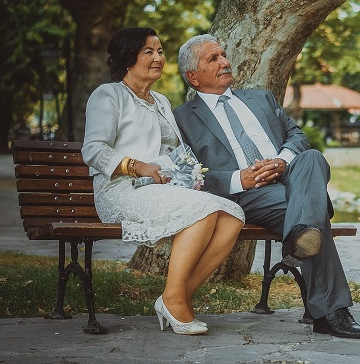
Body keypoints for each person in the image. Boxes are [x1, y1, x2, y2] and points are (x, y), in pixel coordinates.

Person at [173, 34, 360, 339]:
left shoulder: (261, 98)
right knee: (313, 216)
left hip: (292, 177)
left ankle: (299, 237)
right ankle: (331, 311)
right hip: (247, 194)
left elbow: (298, 137)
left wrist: (281, 162)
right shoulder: (183, 119)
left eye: (223, 55)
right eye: (213, 59)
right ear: (193, 77)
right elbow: (187, 174)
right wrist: (240, 178)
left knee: (312, 157)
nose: (225, 62)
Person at [82, 28, 245, 336]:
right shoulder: (109, 95)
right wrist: (137, 166)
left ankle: (175, 296)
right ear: (129, 59)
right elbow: (93, 150)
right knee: (205, 211)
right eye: (149, 52)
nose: (158, 58)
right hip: (121, 189)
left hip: (163, 189)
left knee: (232, 217)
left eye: (159, 51)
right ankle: (174, 300)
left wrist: (189, 174)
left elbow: (173, 151)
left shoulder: (161, 101)